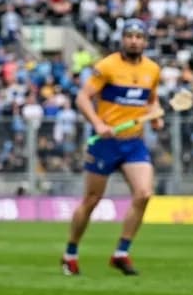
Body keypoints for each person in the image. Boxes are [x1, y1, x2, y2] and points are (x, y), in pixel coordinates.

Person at [62, 19, 160, 276]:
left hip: (134, 143)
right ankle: (70, 253)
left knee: (144, 194)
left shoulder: (152, 70)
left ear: (145, 41)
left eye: (139, 37)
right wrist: (97, 123)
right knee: (92, 200)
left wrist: (155, 116)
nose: (134, 41)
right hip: (106, 143)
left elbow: (151, 100)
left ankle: (121, 253)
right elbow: (82, 98)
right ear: (122, 39)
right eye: (129, 36)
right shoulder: (107, 66)